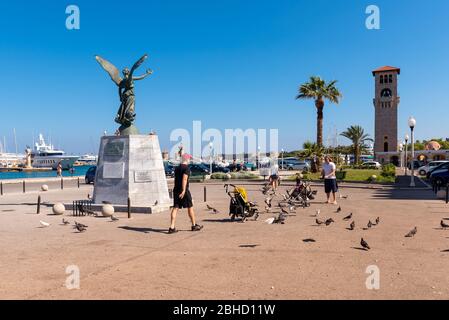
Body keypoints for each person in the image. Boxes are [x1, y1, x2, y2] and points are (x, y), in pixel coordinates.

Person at [168, 154, 203, 234]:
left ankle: (172, 227)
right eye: (189, 159)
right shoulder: (186, 168)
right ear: (186, 159)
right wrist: (183, 190)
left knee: (175, 207)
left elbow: (176, 179)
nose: (190, 160)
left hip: (176, 189)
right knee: (190, 207)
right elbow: (184, 179)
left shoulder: (177, 168)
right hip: (184, 191)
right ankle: (194, 225)